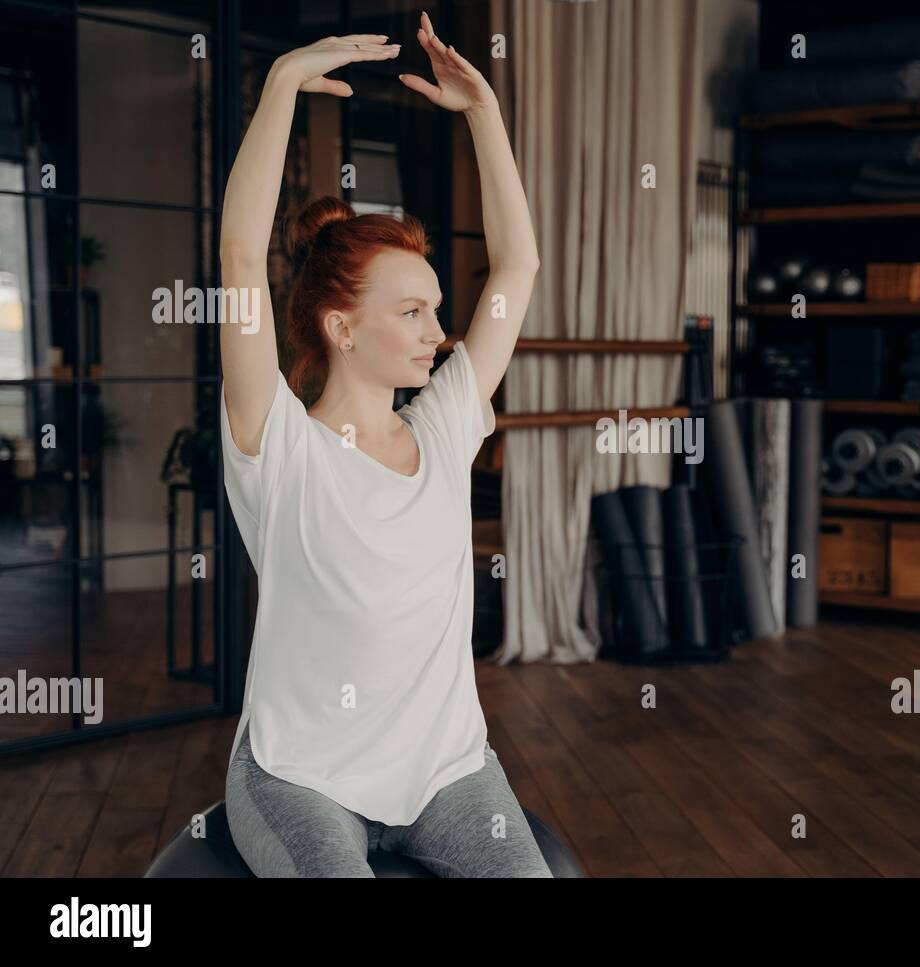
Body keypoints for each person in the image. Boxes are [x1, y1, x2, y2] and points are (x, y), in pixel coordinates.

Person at [218, 13, 544, 877]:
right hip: (302, 775)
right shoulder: (275, 443)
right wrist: (282, 82)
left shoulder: (443, 425)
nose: (439, 332)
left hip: (446, 771)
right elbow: (240, 257)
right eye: (412, 312)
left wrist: (484, 114)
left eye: (436, 308)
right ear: (340, 328)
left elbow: (516, 271)